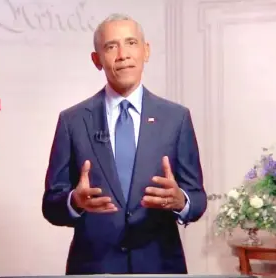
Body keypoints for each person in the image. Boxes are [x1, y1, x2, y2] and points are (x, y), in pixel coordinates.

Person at [42, 13, 207, 274]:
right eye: (111, 46)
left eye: (131, 43)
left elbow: (197, 198)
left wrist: (180, 200)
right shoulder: (72, 121)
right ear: (97, 60)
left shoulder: (176, 118)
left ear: (146, 51)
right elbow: (51, 205)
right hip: (94, 266)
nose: (123, 54)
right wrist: (74, 200)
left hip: (160, 265)